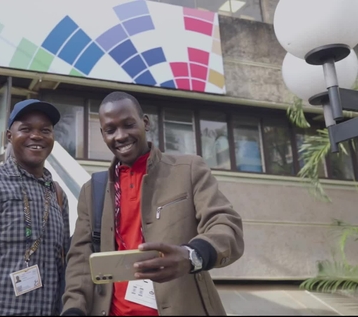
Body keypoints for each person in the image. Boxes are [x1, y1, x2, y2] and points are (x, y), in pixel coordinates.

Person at [62, 91, 244, 316]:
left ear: (145, 122)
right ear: (103, 134)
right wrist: (73, 309)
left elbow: (226, 225)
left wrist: (191, 256)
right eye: (110, 130)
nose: (120, 136)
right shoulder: (92, 190)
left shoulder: (188, 170)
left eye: (128, 124)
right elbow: (80, 259)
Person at [0, 99, 70, 316]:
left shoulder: (57, 194)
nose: (36, 136)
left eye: (45, 130)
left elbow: (62, 268)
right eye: (25, 129)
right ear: (9, 135)